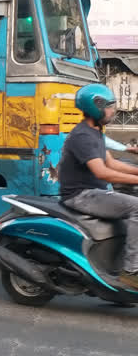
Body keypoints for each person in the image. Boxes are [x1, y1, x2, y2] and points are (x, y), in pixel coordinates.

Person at [58, 84, 138, 290]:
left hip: (96, 192)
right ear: (96, 107)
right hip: (81, 195)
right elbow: (102, 172)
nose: (113, 111)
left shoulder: (95, 133)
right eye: (110, 106)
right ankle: (130, 271)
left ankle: (116, 268)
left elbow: (112, 164)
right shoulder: (82, 136)